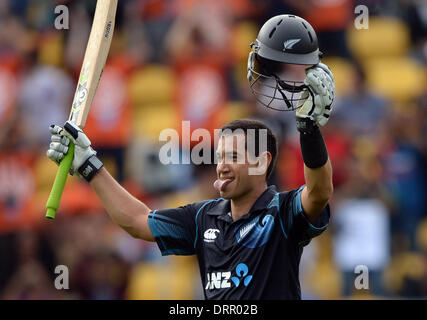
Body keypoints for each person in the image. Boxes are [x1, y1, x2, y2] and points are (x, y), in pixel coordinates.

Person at [46, 14, 335, 299]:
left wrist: (308, 129)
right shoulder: (203, 218)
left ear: (262, 162)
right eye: (220, 157)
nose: (221, 166)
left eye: (233, 156)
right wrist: (89, 164)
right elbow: (136, 220)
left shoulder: (282, 213)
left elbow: (319, 191)